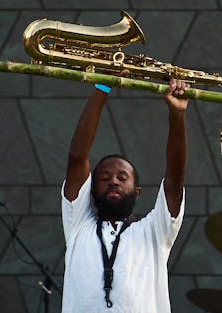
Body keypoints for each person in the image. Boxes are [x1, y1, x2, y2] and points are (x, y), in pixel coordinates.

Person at [61, 78, 190, 313]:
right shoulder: (78, 224)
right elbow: (77, 156)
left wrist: (177, 114)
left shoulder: (154, 231)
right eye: (104, 178)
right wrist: (103, 84)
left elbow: (174, 180)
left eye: (122, 178)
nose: (113, 181)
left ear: (137, 192)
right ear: (90, 190)